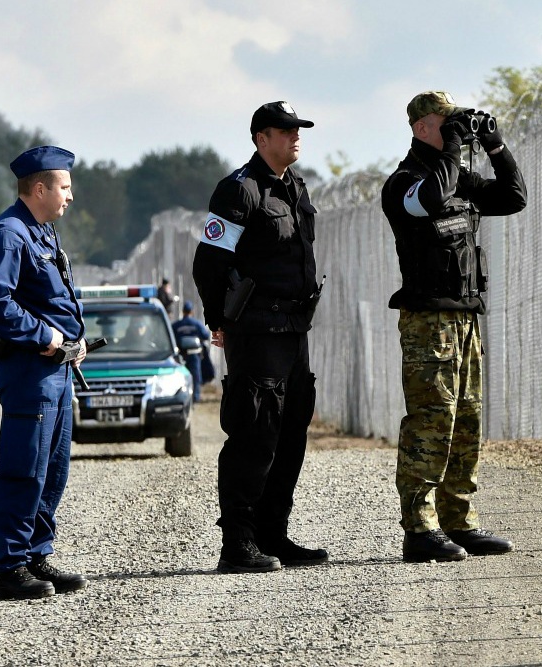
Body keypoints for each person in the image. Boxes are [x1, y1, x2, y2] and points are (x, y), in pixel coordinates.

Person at [381, 91, 527, 562]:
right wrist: (451, 147)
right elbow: (430, 199)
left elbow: (514, 197)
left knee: (466, 420)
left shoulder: (458, 177)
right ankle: (419, 529)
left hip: (465, 316)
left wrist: (496, 147)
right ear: (422, 127)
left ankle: (459, 520)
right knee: (432, 420)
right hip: (429, 321)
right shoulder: (404, 182)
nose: (454, 130)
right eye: (445, 122)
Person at [193, 100, 327, 572]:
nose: (296, 136)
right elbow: (210, 262)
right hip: (256, 330)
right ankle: (238, 543)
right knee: (254, 434)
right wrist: (219, 319)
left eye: (297, 129)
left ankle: (273, 534)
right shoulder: (240, 190)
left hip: (293, 329)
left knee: (290, 433)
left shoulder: (295, 187)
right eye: (285, 130)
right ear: (261, 138)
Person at [0, 146, 90, 600]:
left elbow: (52, 299)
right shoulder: (9, 234)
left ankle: (36, 555)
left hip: (56, 371)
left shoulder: (42, 232)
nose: (70, 196)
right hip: (30, 371)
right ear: (39, 189)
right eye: (65, 187)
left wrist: (73, 341)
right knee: (23, 468)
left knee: (52, 469)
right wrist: (44, 335)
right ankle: (9, 568)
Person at [172, 300, 211, 401]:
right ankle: (195, 398)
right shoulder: (197, 324)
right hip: (194, 355)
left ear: (183, 311)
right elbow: (206, 335)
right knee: (195, 377)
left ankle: (182, 398)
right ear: (192, 312)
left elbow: (171, 338)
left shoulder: (176, 325)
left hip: (181, 355)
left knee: (181, 377)